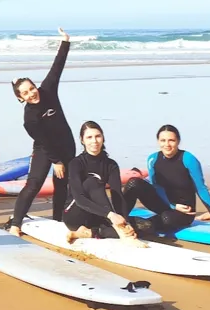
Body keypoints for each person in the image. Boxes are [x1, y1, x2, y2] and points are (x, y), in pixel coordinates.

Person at [7, 28, 76, 236]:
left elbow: (57, 67)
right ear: (21, 98)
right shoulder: (29, 118)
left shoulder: (48, 90)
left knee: (62, 186)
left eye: (32, 88)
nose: (32, 93)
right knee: (33, 183)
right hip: (46, 150)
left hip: (66, 145)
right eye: (26, 93)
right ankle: (16, 223)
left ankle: (59, 220)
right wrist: (56, 161)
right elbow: (44, 140)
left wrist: (65, 42)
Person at [123, 124, 210, 231]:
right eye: (163, 140)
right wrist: (172, 206)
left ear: (178, 141)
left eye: (171, 140)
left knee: (166, 219)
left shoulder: (188, 159)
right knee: (133, 183)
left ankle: (138, 224)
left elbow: (201, 189)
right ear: (158, 141)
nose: (167, 144)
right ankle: (121, 217)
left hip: (184, 211)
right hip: (165, 205)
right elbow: (157, 187)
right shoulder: (152, 159)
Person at [63, 121, 142, 243]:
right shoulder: (76, 163)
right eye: (89, 137)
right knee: (93, 182)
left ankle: (89, 233)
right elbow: (79, 198)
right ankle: (106, 230)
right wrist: (110, 215)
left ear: (103, 138)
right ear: (82, 140)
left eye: (98, 136)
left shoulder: (111, 165)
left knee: (145, 226)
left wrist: (124, 222)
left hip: (97, 215)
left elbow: (117, 196)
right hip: (75, 215)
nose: (94, 141)